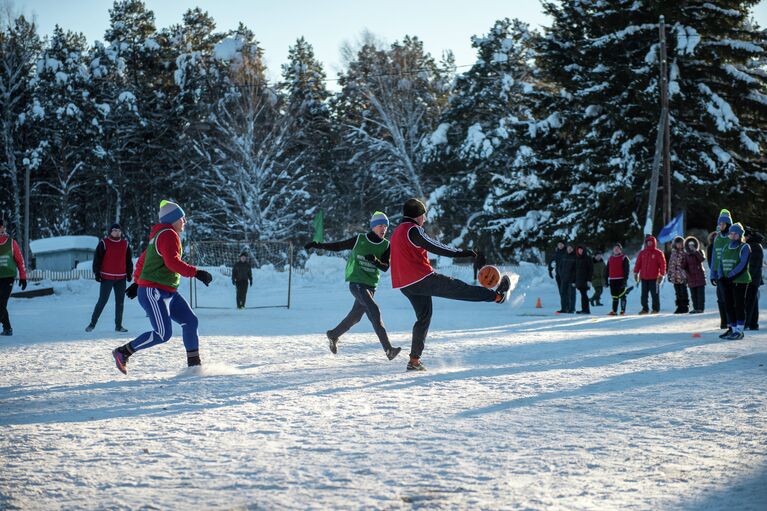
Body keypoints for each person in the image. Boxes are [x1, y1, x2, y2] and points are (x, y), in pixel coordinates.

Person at [390, 198, 510, 371]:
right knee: (459, 288)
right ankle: (497, 296)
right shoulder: (413, 230)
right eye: (423, 215)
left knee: (424, 317)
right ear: (416, 215)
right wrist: (464, 253)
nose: (424, 219)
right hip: (421, 279)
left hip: (405, 284)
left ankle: (414, 360)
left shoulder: (397, 232)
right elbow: (435, 246)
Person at [111, 200, 213, 375]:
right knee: (162, 333)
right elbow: (172, 263)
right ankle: (123, 351)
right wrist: (196, 272)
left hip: (167, 291)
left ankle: (194, 366)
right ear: (173, 219)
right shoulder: (168, 234)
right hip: (154, 291)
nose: (185, 221)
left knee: (190, 321)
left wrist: (137, 282)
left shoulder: (159, 236)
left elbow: (143, 260)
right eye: (182, 218)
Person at [304, 211, 402, 361]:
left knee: (354, 318)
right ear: (374, 226)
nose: (384, 229)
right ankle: (388, 350)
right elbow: (338, 246)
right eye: (381, 226)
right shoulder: (360, 239)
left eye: (386, 227)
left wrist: (375, 261)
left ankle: (333, 334)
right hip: (357, 283)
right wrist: (319, 245)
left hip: (370, 287)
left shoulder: (386, 245)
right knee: (374, 310)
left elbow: (385, 267)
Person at [86, 223, 133, 332]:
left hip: (121, 278)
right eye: (115, 230)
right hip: (107, 277)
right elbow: (97, 259)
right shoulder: (104, 243)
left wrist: (129, 273)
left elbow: (128, 260)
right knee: (102, 301)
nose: (117, 232)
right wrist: (97, 273)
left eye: (119, 230)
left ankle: (118, 326)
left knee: (120, 303)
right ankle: (92, 323)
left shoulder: (125, 244)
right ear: (110, 232)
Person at [716, 223, 751, 340]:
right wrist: (721, 277)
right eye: (731, 233)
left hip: (739, 280)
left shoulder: (744, 247)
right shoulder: (726, 247)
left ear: (740, 234)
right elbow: (720, 263)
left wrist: (731, 276)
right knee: (728, 304)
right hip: (726, 281)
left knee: (739, 304)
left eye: (735, 233)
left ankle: (739, 330)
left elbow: (742, 265)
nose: (733, 235)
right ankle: (732, 328)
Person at [0, 218, 27, 336]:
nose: (1, 228)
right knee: (1, 306)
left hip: (8, 278)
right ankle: (7, 328)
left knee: (1, 304)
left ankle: (7, 328)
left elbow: (20, 261)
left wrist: (23, 277)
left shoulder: (11, 243)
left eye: (2, 226)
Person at [709, 209, 733, 331]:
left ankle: (731, 322)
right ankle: (724, 321)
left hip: (729, 274)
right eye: (719, 224)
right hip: (719, 274)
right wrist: (712, 274)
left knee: (729, 299)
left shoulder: (732, 237)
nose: (720, 226)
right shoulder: (717, 238)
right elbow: (714, 256)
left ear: (728, 224)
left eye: (723, 224)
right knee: (720, 298)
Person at [633, 235, 666, 314]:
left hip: (654, 278)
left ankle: (655, 309)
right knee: (644, 295)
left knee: (655, 295)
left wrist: (661, 275)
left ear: (654, 243)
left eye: (651, 242)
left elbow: (663, 264)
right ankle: (645, 309)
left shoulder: (658, 253)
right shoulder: (642, 253)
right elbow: (638, 264)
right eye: (648, 242)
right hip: (644, 278)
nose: (649, 243)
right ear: (646, 243)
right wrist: (635, 272)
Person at [744, 227, 763, 330]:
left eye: (745, 236)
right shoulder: (754, 245)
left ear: (749, 236)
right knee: (753, 301)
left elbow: (753, 265)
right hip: (753, 278)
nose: (744, 238)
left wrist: (747, 278)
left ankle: (747, 323)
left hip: (751, 279)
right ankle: (753, 324)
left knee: (749, 302)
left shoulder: (754, 246)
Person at [681, 236, 706, 313]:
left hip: (700, 277)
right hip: (691, 277)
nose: (691, 246)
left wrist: (696, 251)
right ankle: (695, 308)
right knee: (693, 295)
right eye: (689, 245)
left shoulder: (700, 252)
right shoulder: (686, 255)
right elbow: (683, 266)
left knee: (700, 294)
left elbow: (702, 259)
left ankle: (700, 308)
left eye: (692, 245)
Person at [666, 236, 689, 314]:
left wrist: (687, 274)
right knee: (677, 292)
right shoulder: (673, 253)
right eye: (677, 244)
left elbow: (687, 264)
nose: (679, 245)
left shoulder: (685, 252)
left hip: (682, 276)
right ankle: (679, 307)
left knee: (683, 291)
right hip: (674, 276)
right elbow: (670, 264)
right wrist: (669, 274)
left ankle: (685, 306)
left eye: (681, 244)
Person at [606, 243, 630, 316]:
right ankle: (614, 311)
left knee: (622, 295)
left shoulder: (624, 257)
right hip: (612, 280)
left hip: (621, 279)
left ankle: (622, 311)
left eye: (618, 248)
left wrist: (625, 280)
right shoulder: (610, 258)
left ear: (620, 249)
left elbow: (626, 270)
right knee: (614, 296)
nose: (616, 249)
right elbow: (607, 270)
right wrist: (606, 279)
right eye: (615, 248)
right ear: (613, 250)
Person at [574, 245, 594, 314]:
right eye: (579, 250)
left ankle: (586, 310)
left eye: (581, 250)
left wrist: (589, 280)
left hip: (585, 280)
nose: (580, 251)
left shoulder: (588, 258)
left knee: (584, 295)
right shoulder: (577, 258)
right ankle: (584, 309)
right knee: (583, 295)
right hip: (579, 280)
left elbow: (591, 270)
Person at [548, 241, 565, 311]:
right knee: (561, 291)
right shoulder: (557, 253)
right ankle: (563, 307)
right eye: (559, 244)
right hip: (558, 274)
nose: (560, 246)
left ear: (563, 245)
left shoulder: (566, 252)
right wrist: (550, 270)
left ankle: (568, 307)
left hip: (565, 275)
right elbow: (551, 261)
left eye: (561, 244)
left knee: (565, 292)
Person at [559, 244, 576, 313]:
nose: (569, 249)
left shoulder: (575, 257)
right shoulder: (564, 256)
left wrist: (574, 279)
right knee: (563, 293)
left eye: (570, 248)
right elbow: (560, 267)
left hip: (572, 279)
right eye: (568, 248)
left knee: (571, 294)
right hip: (564, 279)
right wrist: (561, 275)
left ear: (573, 249)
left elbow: (576, 269)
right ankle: (564, 308)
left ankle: (571, 309)